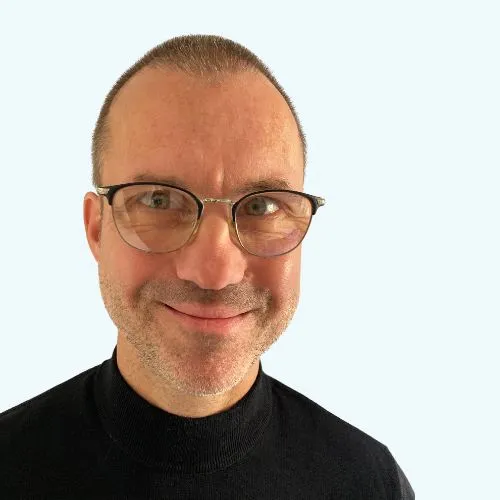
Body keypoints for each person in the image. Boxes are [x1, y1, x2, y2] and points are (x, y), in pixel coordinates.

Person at [0, 34, 414, 499]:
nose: (214, 273)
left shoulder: (368, 483)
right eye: (159, 201)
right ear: (97, 229)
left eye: (261, 206)